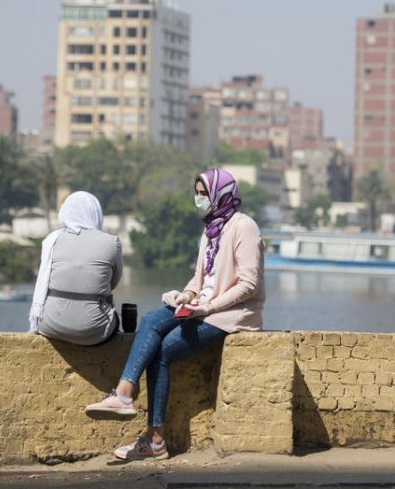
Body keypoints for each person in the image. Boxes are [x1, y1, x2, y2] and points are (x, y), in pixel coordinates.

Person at [84, 168, 265, 461]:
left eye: (203, 194)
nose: (198, 199)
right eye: (196, 193)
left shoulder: (244, 227)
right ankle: (125, 395)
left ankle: (154, 439)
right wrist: (186, 296)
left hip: (230, 315)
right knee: (152, 319)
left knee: (161, 352)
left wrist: (209, 307)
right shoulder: (211, 230)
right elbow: (200, 278)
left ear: (222, 194)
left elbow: (249, 284)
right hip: (201, 308)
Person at [28, 191, 122, 346]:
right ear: (96, 213)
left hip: (50, 325)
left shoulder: (52, 240)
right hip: (96, 331)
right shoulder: (112, 242)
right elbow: (113, 282)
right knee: (116, 318)